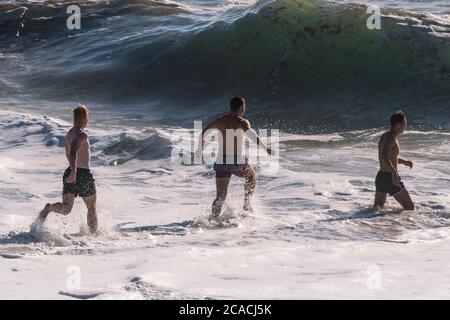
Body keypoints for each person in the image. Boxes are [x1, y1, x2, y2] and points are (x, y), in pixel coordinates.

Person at [196, 97, 272, 217]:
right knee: (251, 177)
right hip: (235, 160)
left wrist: (199, 150)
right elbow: (253, 136)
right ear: (242, 107)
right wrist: (265, 148)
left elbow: (203, 133)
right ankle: (246, 204)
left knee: (220, 196)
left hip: (221, 161)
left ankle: (213, 219)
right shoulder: (242, 122)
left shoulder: (221, 120)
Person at [38, 105, 98, 234]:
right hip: (82, 173)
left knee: (66, 208)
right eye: (87, 119)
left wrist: (71, 170)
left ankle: (49, 209)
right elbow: (73, 153)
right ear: (83, 118)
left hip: (70, 171)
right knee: (91, 208)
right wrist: (75, 171)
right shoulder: (82, 135)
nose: (87, 121)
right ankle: (94, 237)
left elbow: (67, 153)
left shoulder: (69, 133)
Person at [374, 111, 414, 210]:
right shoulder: (391, 138)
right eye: (405, 123)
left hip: (381, 177)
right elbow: (384, 157)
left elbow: (389, 156)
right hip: (390, 178)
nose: (406, 125)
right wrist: (394, 173)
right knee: (409, 208)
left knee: (377, 209)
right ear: (399, 125)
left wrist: (403, 162)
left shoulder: (385, 136)